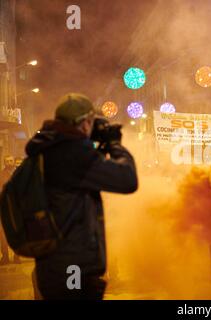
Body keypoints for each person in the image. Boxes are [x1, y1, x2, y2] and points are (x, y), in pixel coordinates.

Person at [26, 93, 138, 299]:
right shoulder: (71, 154)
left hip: (52, 263)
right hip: (72, 268)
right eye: (92, 122)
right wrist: (114, 144)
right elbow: (127, 179)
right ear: (85, 123)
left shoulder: (47, 148)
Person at [0, 156, 16, 265]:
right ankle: (5, 256)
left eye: (11, 161)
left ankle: (17, 256)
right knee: (3, 233)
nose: (9, 163)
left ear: (14, 162)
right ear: (4, 163)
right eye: (7, 161)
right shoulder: (1, 175)